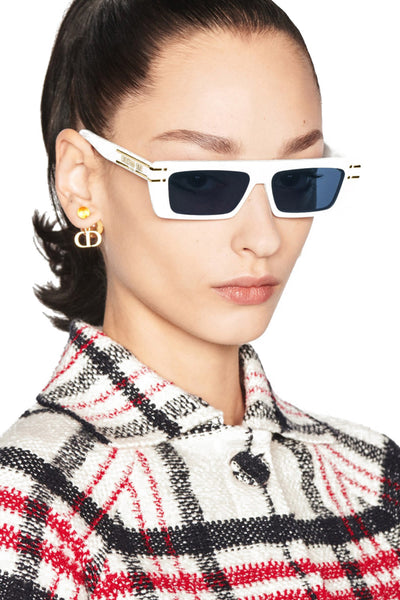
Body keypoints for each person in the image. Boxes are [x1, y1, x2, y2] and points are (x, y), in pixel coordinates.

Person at [0, 0, 399, 598]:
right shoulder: (34, 509)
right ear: (83, 181)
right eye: (202, 182)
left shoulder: (374, 481)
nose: (264, 238)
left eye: (297, 180)